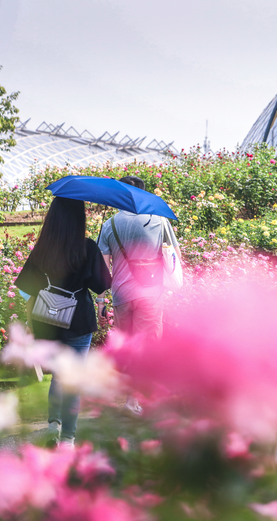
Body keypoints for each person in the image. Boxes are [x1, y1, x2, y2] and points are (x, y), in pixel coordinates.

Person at [15, 197, 112, 447]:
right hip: (78, 320)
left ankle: (52, 425)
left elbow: (27, 289)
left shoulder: (42, 249)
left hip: (46, 322)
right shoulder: (87, 247)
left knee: (58, 375)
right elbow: (101, 285)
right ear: (80, 217)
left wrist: (29, 322)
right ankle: (68, 438)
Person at [96, 175, 180, 414]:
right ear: (145, 194)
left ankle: (131, 397)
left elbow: (102, 269)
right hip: (151, 295)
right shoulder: (160, 222)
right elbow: (175, 259)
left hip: (122, 295)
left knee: (129, 347)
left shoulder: (109, 224)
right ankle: (137, 399)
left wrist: (101, 302)